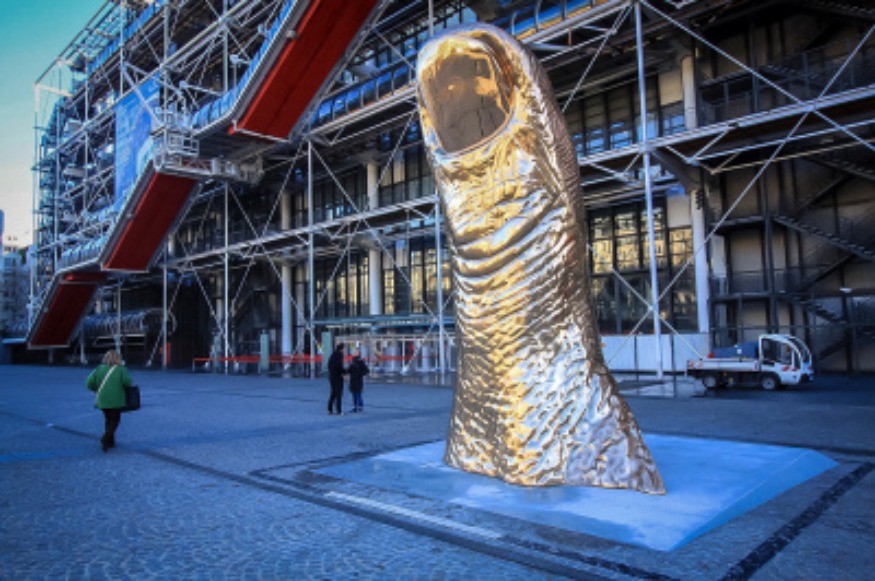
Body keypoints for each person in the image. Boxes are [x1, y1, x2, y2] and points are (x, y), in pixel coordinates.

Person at [85, 350, 133, 452]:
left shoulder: (99, 368)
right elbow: (127, 382)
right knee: (115, 420)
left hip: (102, 399)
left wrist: (96, 389)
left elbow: (88, 382)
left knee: (108, 419)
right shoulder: (121, 369)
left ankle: (111, 442)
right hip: (116, 399)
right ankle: (106, 438)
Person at [327, 343, 346, 415]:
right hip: (338, 376)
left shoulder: (333, 355)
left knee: (333, 392)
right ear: (342, 349)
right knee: (339, 394)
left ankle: (329, 409)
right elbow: (339, 366)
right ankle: (339, 410)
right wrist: (344, 372)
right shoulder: (339, 355)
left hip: (332, 376)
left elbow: (329, 365)